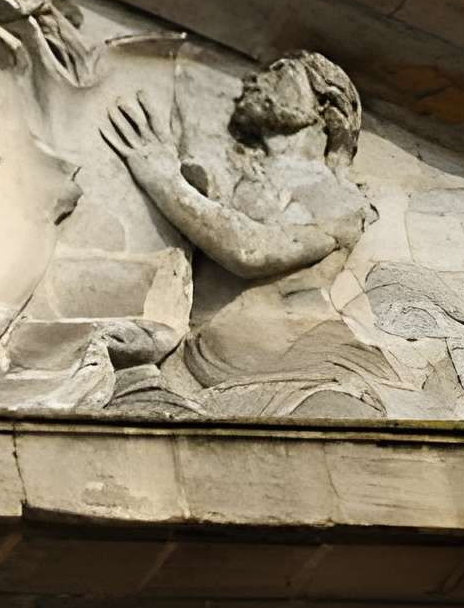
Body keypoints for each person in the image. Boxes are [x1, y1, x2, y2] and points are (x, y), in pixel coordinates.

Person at [100, 50, 392, 417]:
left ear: (327, 104)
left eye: (282, 72)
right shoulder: (236, 185)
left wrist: (165, 182)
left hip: (303, 376)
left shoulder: (341, 198)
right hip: (198, 370)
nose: (256, 80)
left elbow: (250, 252)